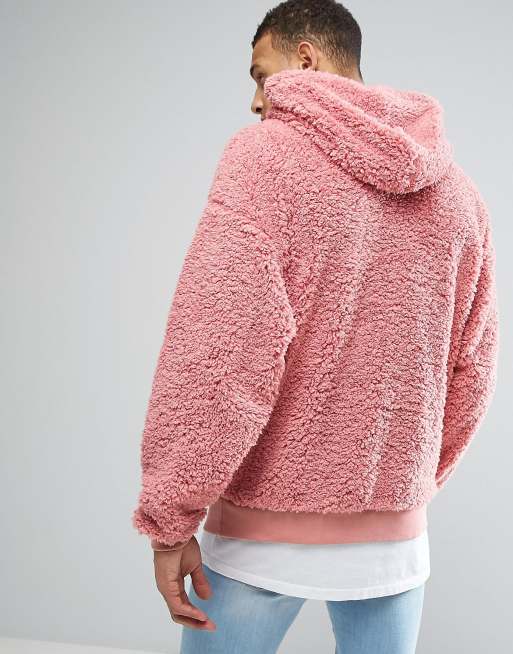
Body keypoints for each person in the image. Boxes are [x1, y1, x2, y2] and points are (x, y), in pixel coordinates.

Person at [131, 1, 500, 652]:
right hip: (394, 546)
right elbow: (473, 371)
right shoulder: (459, 196)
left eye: (260, 74)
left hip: (264, 538)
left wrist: (170, 517)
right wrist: (404, 486)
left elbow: (218, 349)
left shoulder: (265, 157)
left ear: (304, 58)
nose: (256, 100)